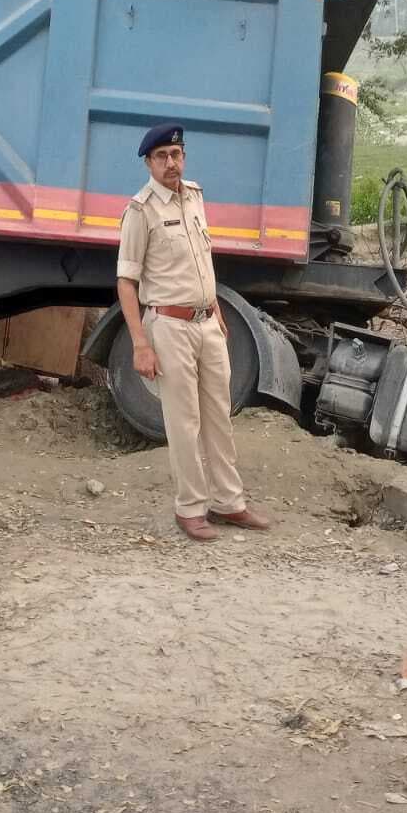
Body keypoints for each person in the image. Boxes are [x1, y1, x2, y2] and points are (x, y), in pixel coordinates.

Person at [115, 124, 268, 542]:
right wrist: (140, 344)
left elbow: (201, 259)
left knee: (219, 414)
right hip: (169, 326)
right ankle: (190, 508)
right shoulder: (141, 211)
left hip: (206, 323)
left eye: (177, 154)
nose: (171, 163)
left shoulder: (195, 196)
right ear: (149, 163)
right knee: (184, 422)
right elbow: (126, 282)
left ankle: (229, 502)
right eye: (162, 156)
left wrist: (214, 306)